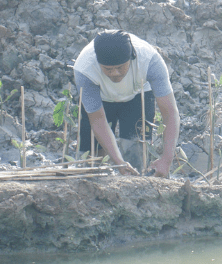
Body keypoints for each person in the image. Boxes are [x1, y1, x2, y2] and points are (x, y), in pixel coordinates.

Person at [73, 29, 180, 177]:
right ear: (98, 63)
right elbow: (97, 120)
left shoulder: (150, 61)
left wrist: (167, 160)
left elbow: (170, 113)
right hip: (101, 97)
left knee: (135, 154)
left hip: (137, 95)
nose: (115, 73)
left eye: (120, 67)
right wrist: (118, 162)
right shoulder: (84, 69)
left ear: (131, 58)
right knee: (90, 161)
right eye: (108, 69)